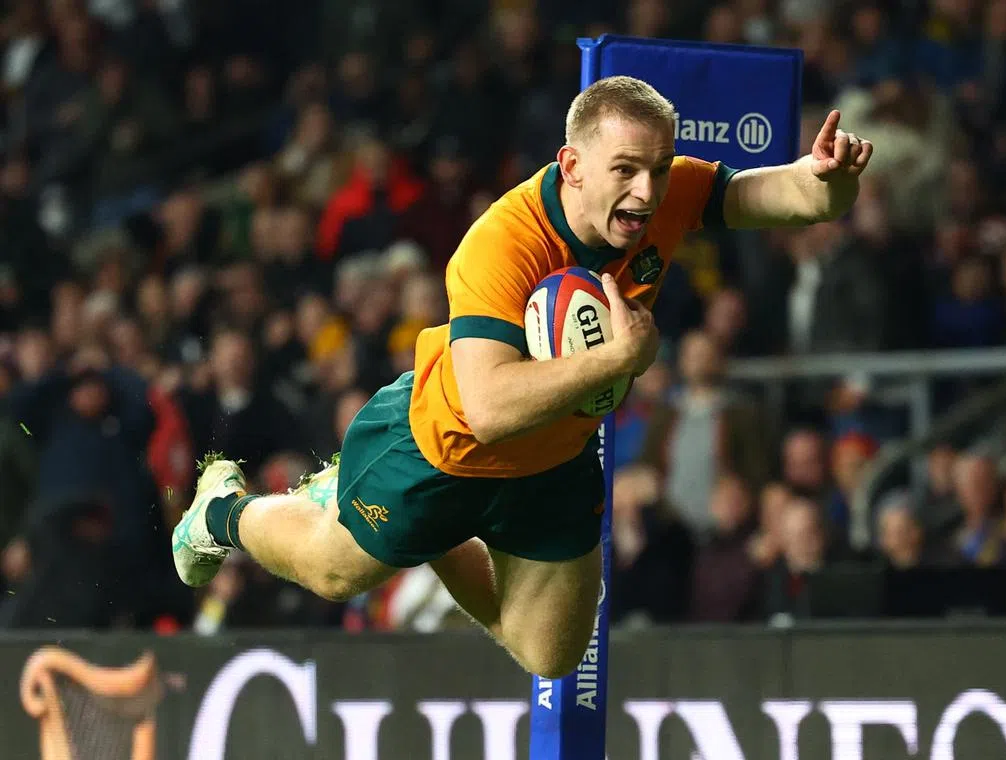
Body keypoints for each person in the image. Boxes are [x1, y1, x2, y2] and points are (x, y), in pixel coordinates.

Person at [172, 75, 873, 678]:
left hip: (555, 457)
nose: (647, 189)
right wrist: (616, 361)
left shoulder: (661, 194)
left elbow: (782, 198)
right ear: (570, 165)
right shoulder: (502, 242)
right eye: (626, 169)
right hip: (443, 447)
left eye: (659, 168)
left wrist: (827, 186)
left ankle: (439, 540)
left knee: (550, 655)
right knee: (334, 572)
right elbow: (489, 409)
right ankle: (221, 510)